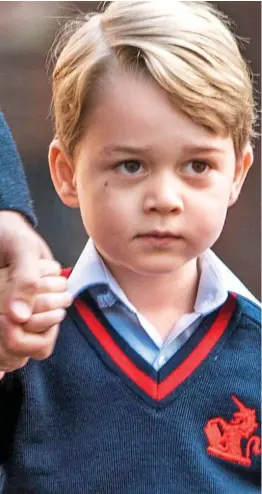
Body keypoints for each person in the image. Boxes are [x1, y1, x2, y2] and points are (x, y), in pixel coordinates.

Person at [0, 1, 260, 492]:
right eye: (131, 166)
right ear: (67, 173)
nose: (164, 199)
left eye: (197, 166)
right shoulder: (23, 337)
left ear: (237, 174)